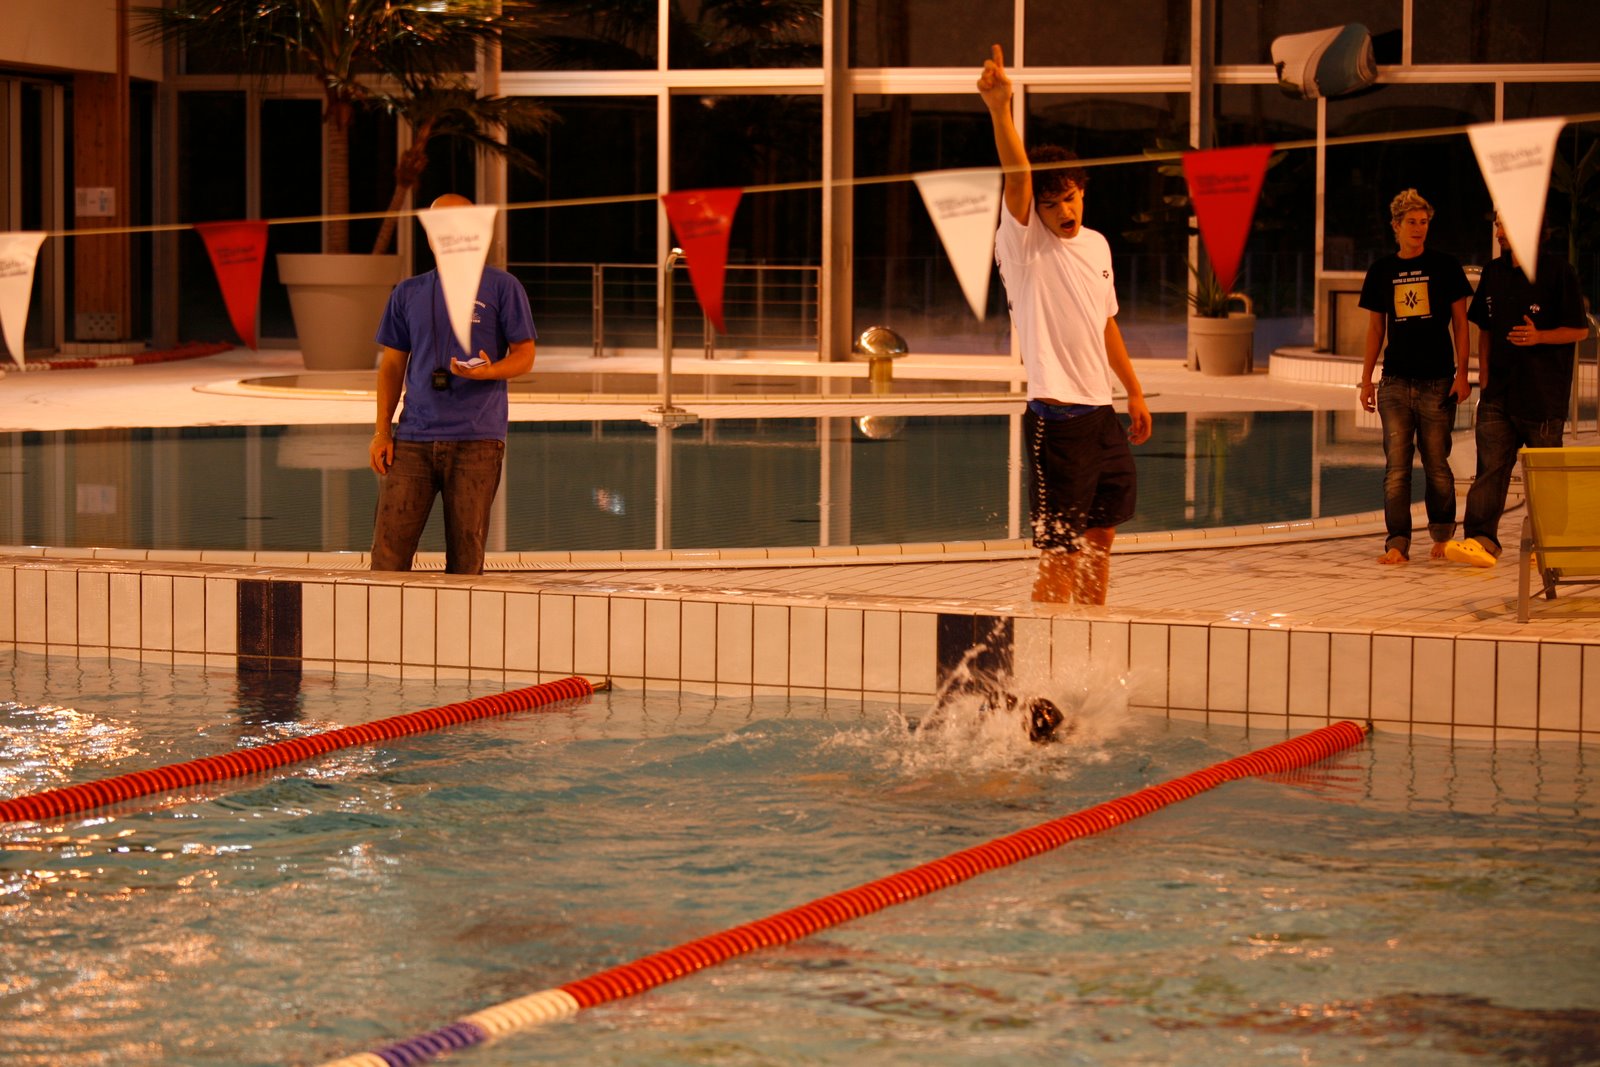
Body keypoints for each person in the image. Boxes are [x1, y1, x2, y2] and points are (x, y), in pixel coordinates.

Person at [977, 44, 1152, 605]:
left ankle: (1089, 636)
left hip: (1101, 414)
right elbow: (1017, 177)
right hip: (1058, 421)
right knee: (1060, 552)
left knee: (1102, 537)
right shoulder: (1024, 245)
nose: (1063, 212)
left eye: (1070, 199)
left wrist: (1134, 392)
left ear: (1082, 192)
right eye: (1050, 205)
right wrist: (1001, 109)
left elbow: (1106, 323)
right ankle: (1044, 653)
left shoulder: (1097, 245)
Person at [368, 193, 537, 574]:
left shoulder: (502, 287)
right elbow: (391, 367)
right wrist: (382, 432)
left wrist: (488, 372)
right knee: (387, 556)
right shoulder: (407, 292)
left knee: (466, 561)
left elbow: (525, 355)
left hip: (477, 441)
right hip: (413, 440)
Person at [1444, 216, 1590, 568]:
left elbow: (1579, 330)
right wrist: (1484, 375)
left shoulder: (1558, 272)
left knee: (1545, 475)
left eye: (1505, 225)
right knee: (1490, 469)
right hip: (1499, 392)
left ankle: (1550, 542)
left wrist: (1540, 336)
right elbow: (1485, 329)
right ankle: (1481, 540)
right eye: (1497, 225)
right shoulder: (1494, 272)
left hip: (1543, 394)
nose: (1498, 233)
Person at [1357, 188, 1473, 565]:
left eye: (1424, 222)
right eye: (1411, 222)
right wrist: (1366, 380)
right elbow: (1376, 329)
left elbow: (1461, 324)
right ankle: (1397, 542)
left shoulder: (1446, 266)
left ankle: (1442, 533)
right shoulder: (1381, 271)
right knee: (1396, 467)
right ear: (1396, 226)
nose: (1419, 228)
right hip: (1395, 382)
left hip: (1437, 380)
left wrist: (1462, 374)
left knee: (1437, 463)